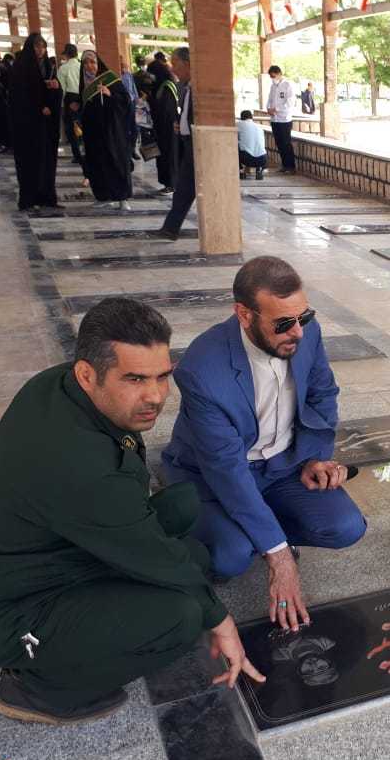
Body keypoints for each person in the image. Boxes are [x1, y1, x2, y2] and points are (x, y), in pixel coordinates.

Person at [0, 298, 264, 725]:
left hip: (58, 553)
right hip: (6, 614)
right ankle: (39, 690)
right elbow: (149, 546)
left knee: (186, 522)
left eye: (162, 376)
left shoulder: (61, 385)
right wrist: (223, 623)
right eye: (134, 379)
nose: (155, 396)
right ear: (87, 374)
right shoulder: (76, 463)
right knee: (181, 617)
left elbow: (136, 524)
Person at [163, 257, 367, 632]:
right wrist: (279, 556)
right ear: (244, 315)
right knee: (230, 558)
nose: (298, 333)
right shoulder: (202, 368)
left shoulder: (306, 333)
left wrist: (313, 458)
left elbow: (322, 394)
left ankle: (258, 528)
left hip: (283, 465)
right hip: (212, 475)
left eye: (304, 317)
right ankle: (248, 533)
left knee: (346, 526)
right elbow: (226, 469)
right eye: (284, 323)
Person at [6, 33, 63, 211]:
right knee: (29, 161)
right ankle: (28, 199)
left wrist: (56, 88)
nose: (41, 50)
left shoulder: (48, 65)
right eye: (37, 47)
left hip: (45, 124)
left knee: (46, 160)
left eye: (43, 47)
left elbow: (55, 90)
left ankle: (46, 197)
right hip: (28, 125)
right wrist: (38, 107)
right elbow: (18, 95)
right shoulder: (21, 66)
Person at [79, 50, 134, 210]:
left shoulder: (111, 80)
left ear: (99, 64)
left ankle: (122, 198)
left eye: (92, 62)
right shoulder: (84, 82)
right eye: (86, 63)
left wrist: (110, 95)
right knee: (97, 162)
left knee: (116, 161)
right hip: (93, 131)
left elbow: (126, 101)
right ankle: (103, 196)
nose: (89, 66)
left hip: (112, 130)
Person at [151, 47, 194, 239]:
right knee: (183, 189)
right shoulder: (184, 86)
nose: (172, 68)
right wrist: (181, 124)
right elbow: (186, 113)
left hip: (200, 145)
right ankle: (170, 228)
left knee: (186, 188)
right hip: (188, 142)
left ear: (188, 64)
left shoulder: (199, 87)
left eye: (175, 64)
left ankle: (171, 228)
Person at [148, 55, 179, 193]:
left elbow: (164, 110)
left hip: (168, 129)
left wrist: (150, 100)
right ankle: (167, 183)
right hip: (163, 129)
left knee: (169, 156)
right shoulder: (162, 86)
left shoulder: (167, 87)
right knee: (164, 156)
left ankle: (171, 184)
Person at [265, 65, 296, 174]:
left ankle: (291, 167)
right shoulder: (273, 86)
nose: (272, 78)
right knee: (279, 143)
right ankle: (284, 165)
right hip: (275, 119)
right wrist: (268, 108)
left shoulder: (288, 85)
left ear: (279, 74)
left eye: (273, 76)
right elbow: (270, 99)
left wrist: (276, 109)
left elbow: (290, 102)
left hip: (284, 119)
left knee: (286, 143)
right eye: (271, 76)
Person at [56, 44, 82, 164]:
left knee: (71, 129)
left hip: (70, 99)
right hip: (83, 97)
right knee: (83, 125)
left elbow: (61, 89)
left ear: (66, 54)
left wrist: (62, 105)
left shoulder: (63, 68)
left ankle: (77, 155)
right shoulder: (82, 66)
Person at [237, 109, 267, 180]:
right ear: (251, 117)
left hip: (247, 159)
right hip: (263, 159)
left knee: (234, 146)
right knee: (258, 146)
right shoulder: (259, 127)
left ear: (241, 117)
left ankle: (241, 171)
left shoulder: (239, 124)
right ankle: (259, 170)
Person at [120, 60, 140, 160]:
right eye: (122, 66)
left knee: (135, 129)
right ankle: (127, 151)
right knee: (125, 128)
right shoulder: (117, 76)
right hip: (122, 105)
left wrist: (137, 98)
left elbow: (133, 87)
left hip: (131, 102)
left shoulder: (128, 75)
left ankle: (132, 149)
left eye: (124, 65)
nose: (124, 67)